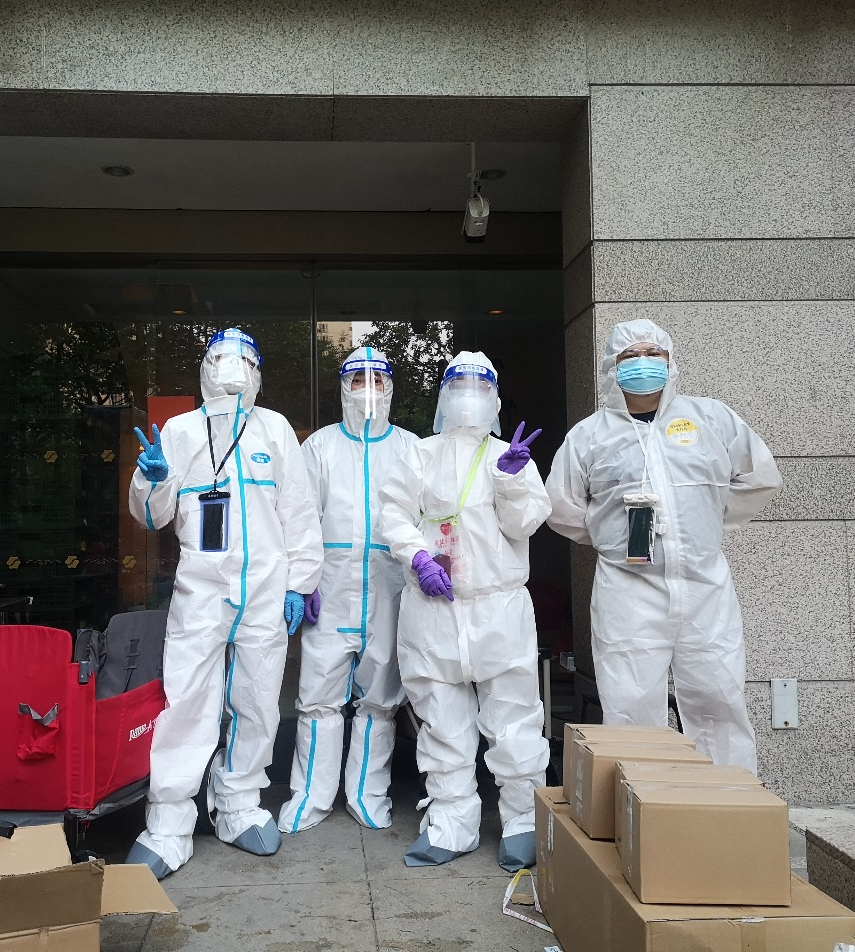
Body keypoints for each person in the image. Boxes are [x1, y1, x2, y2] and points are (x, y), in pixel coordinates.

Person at [125, 327, 323, 880]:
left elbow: (299, 512)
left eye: (245, 361)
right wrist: (150, 481)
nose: (232, 369)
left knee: (258, 700)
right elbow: (153, 516)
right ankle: (169, 823)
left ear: (258, 373)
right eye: (220, 358)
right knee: (188, 700)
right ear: (204, 368)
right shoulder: (180, 431)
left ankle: (238, 804)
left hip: (265, 588)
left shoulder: (275, 429)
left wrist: (299, 583)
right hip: (202, 589)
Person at [545, 319, 782, 774]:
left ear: (671, 361)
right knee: (629, 706)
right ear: (611, 367)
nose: (642, 362)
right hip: (628, 589)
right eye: (629, 356)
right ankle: (645, 805)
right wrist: (612, 539)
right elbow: (561, 506)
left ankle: (727, 803)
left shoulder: (711, 418)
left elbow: (759, 477)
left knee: (719, 699)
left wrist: (704, 525)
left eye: (653, 353)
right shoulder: (589, 435)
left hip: (704, 585)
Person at [379, 351, 551, 872]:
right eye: (458, 385)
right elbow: (393, 512)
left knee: (514, 717)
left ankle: (523, 820)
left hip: (499, 606)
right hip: (434, 605)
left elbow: (526, 524)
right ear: (444, 395)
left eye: (480, 386)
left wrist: (513, 480)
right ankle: (451, 821)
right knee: (441, 719)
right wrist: (417, 556)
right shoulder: (420, 453)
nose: (468, 396)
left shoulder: (509, 456)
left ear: (495, 398)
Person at [279, 347, 419, 834]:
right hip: (331, 587)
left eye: (378, 379)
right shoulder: (319, 446)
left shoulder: (409, 447)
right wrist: (302, 581)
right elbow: (299, 517)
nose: (368, 389)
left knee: (380, 697)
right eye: (359, 379)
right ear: (344, 387)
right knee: (318, 694)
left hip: (390, 587)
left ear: (390, 387)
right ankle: (310, 797)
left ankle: (367, 794)